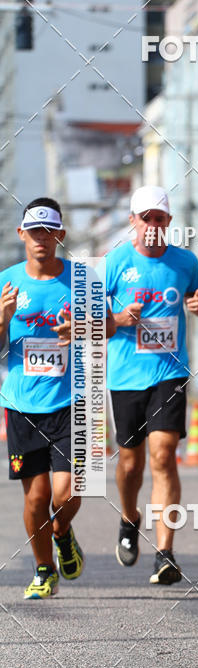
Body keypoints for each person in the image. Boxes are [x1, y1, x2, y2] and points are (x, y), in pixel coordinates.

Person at [105, 185, 198, 585]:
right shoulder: (113, 264)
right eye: (145, 218)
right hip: (126, 375)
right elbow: (88, 324)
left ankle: (165, 553)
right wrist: (117, 320)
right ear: (133, 221)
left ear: (168, 223)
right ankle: (130, 517)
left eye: (159, 218)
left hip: (171, 372)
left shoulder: (185, 262)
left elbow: (196, 298)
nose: (152, 225)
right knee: (131, 462)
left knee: (164, 455)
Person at [0, 199, 86, 598]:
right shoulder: (7, 282)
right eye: (34, 232)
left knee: (67, 493)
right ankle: (43, 569)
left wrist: (82, 329)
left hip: (71, 403)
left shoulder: (81, 282)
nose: (42, 239)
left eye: (49, 232)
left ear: (60, 237)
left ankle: (63, 531)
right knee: (36, 498)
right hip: (22, 406)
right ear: (22, 235)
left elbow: (109, 331)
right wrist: (2, 320)